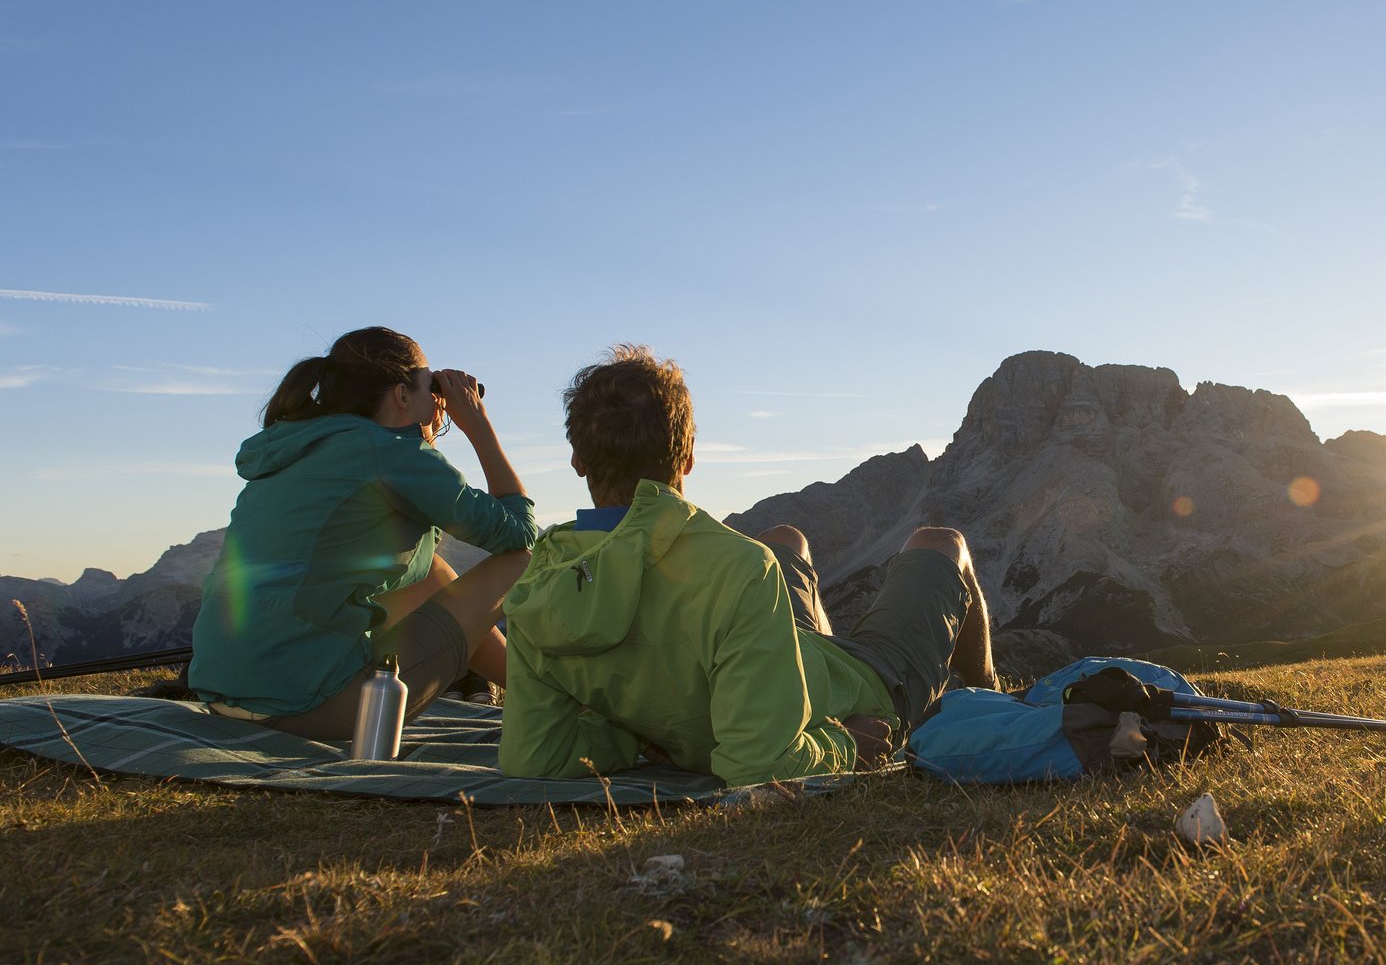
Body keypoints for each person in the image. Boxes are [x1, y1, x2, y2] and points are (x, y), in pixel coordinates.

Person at [498, 344, 997, 785]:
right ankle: (989, 695)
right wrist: (849, 746)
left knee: (786, 539)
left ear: (577, 461)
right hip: (867, 690)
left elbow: (536, 757)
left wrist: (643, 740)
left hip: (771, 668)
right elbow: (759, 767)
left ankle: (819, 657)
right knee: (940, 541)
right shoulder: (738, 566)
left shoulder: (540, 583)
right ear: (688, 457)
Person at [189, 326, 538, 739]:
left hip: (228, 698)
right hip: (312, 705)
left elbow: (408, 547)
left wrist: (419, 435)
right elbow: (518, 534)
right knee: (519, 562)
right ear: (401, 395)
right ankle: (548, 693)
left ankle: (535, 691)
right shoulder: (388, 453)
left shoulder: (304, 442)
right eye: (430, 384)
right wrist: (478, 426)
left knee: (430, 573)